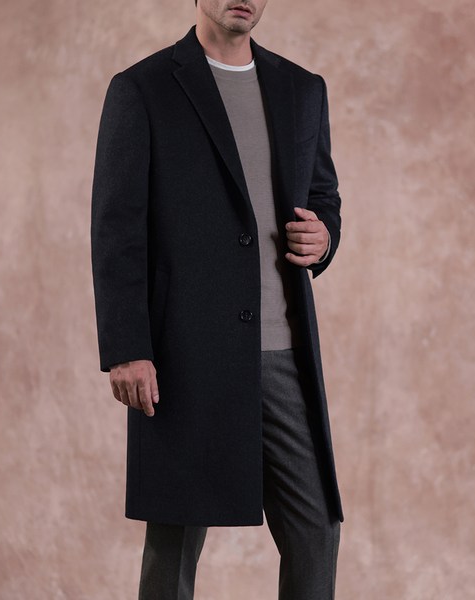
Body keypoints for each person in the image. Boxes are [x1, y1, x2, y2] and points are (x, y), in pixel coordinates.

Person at [90, 1, 344, 598]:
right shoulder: (142, 88)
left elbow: (322, 195)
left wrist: (325, 236)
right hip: (184, 353)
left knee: (316, 529)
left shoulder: (303, 88)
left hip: (283, 351)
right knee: (175, 538)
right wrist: (127, 348)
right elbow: (117, 231)